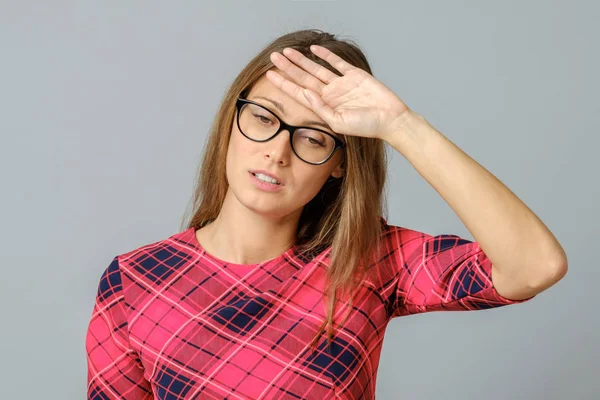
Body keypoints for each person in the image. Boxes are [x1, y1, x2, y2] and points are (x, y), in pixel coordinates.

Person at [85, 29, 567, 399]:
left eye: (313, 138)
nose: (278, 152)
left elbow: (534, 266)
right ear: (231, 120)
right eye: (263, 117)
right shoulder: (136, 281)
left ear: (339, 165)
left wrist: (401, 127)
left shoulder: (370, 259)